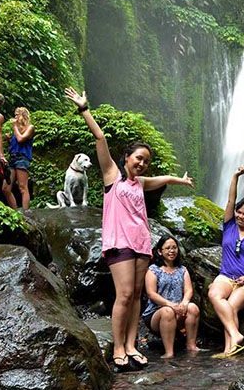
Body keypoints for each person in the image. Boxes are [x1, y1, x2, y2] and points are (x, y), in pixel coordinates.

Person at [65, 87, 194, 372]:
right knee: (123, 295)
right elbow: (100, 138)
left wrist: (181, 181)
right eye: (138, 158)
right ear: (126, 157)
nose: (142, 163)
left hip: (141, 245)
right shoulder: (112, 175)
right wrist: (84, 109)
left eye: (146, 160)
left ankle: (133, 345)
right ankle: (119, 347)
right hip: (119, 244)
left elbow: (162, 179)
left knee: (136, 296)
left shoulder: (140, 183)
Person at [208, 166, 244, 358]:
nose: (240, 216)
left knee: (231, 306)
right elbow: (231, 199)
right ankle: (235, 335)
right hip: (225, 276)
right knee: (214, 294)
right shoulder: (229, 225)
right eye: (239, 212)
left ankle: (229, 350)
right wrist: (235, 176)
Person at [142, 235, 201, 359]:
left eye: (174, 247)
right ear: (160, 251)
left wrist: (184, 302)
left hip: (178, 311)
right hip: (156, 314)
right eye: (167, 248)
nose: (171, 251)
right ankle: (169, 352)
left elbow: (189, 290)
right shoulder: (153, 270)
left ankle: (191, 346)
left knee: (193, 308)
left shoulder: (182, 269)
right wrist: (170, 304)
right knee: (168, 311)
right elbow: (151, 293)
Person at [2, 107, 35, 210]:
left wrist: (15, 127)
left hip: (22, 158)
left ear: (23, 115)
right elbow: (15, 142)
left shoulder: (30, 127)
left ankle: (25, 213)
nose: (15, 117)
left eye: (17, 115)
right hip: (12, 158)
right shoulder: (16, 129)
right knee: (5, 188)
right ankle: (15, 210)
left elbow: (21, 139)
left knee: (22, 187)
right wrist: (9, 139)